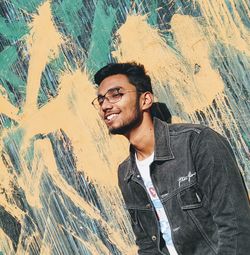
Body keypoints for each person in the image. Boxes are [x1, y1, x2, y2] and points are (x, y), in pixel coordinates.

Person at [92, 62, 250, 255]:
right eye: (100, 100)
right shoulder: (126, 173)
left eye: (116, 95)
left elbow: (236, 226)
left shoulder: (197, 142)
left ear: (146, 100)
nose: (105, 106)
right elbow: (148, 245)